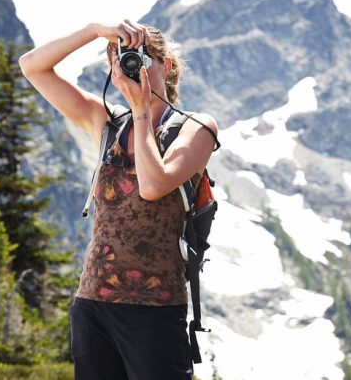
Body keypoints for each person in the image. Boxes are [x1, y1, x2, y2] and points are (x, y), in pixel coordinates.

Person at [19, 20, 218, 380]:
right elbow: (32, 66)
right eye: (121, 58)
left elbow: (154, 185)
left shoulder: (195, 127)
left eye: (142, 57)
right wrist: (95, 31)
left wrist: (142, 111)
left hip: (155, 308)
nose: (132, 65)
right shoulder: (107, 122)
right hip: (92, 303)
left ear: (167, 65)